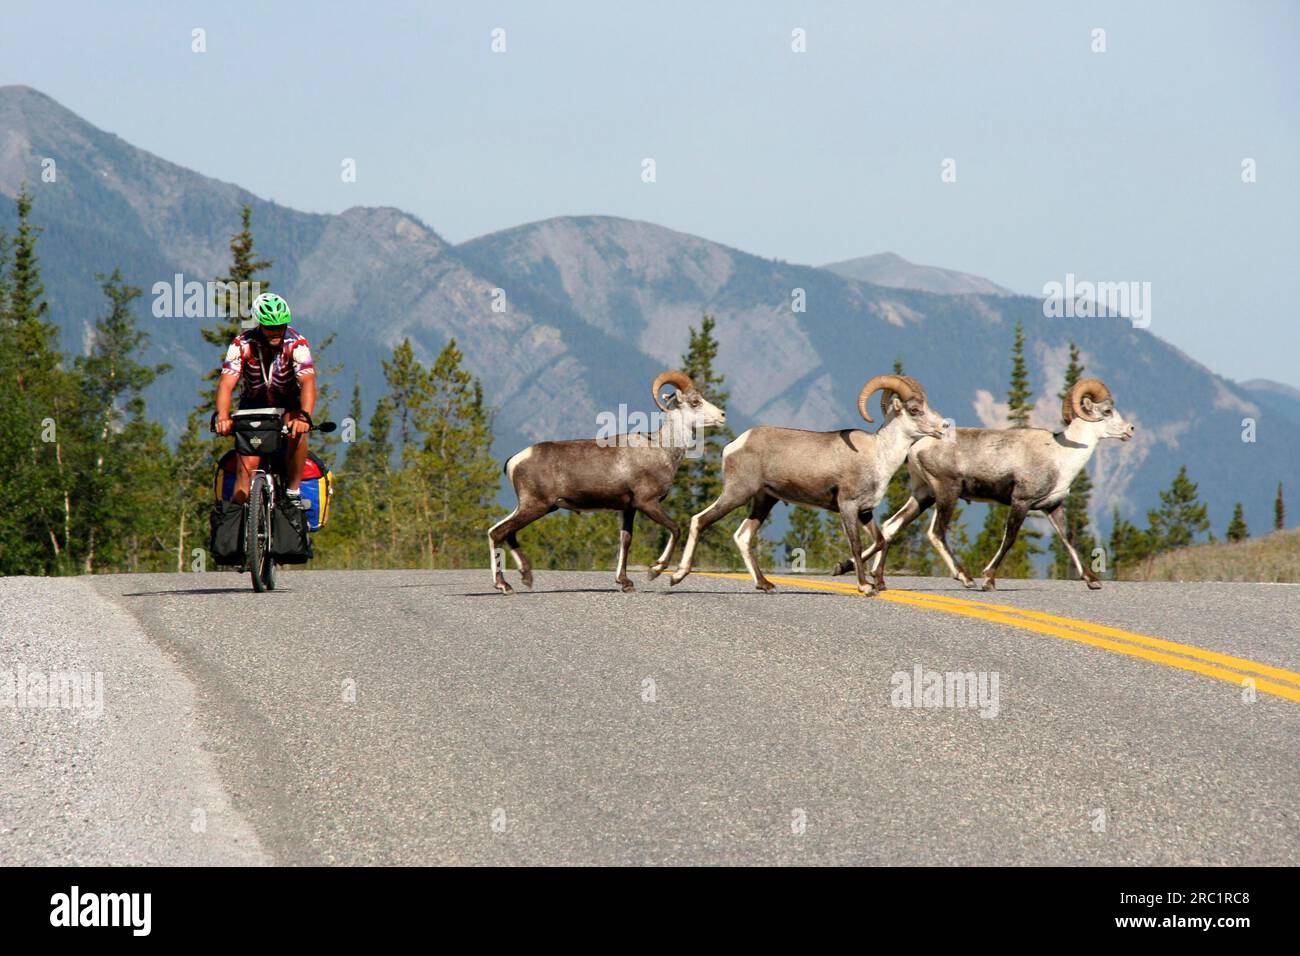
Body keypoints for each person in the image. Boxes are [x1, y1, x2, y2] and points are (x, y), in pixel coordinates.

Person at [214, 292, 316, 506]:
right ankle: (239, 519)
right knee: (245, 469)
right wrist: (223, 416)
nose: (276, 332)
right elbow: (226, 383)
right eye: (270, 327)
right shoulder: (242, 344)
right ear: (259, 324)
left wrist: (305, 418)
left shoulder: (297, 344)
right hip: (253, 405)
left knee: (297, 433)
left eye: (281, 326)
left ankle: (293, 490)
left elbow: (307, 381)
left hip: (288, 404)